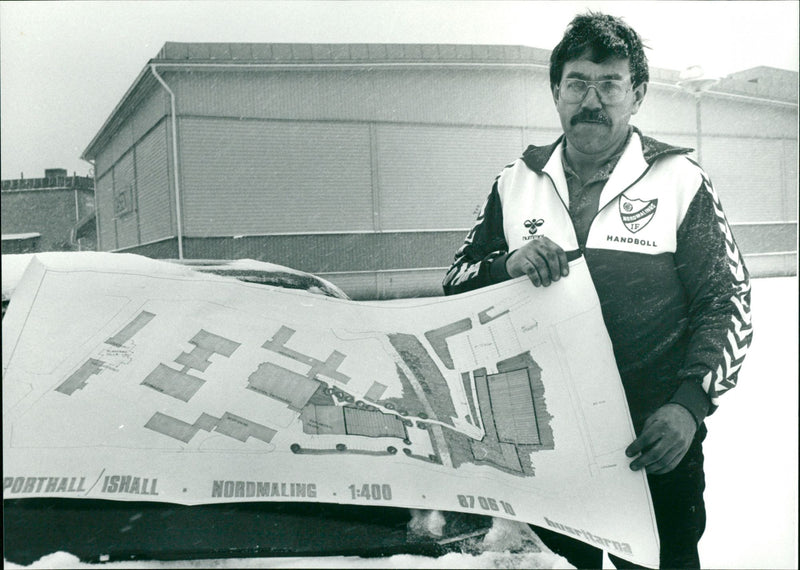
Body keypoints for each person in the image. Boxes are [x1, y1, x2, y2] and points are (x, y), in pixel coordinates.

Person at [442, 11, 753, 569]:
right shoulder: (515, 183)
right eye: (578, 83)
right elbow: (456, 279)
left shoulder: (680, 180)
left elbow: (726, 300)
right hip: (552, 450)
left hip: (654, 442)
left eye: (610, 84)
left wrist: (688, 406)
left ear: (637, 94)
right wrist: (506, 263)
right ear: (555, 92)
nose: (593, 100)